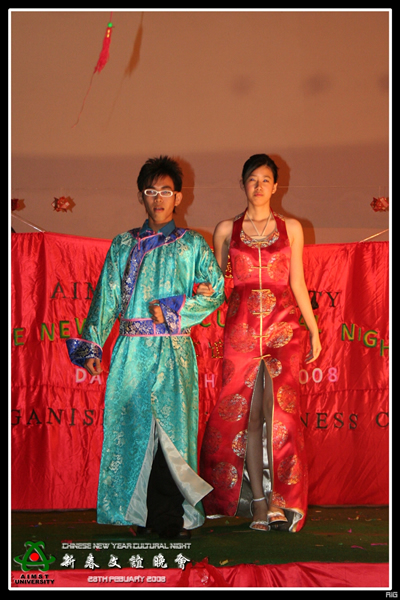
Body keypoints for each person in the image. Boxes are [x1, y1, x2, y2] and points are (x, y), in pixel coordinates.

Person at [66, 156, 225, 539]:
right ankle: (138, 513)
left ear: (179, 197)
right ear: (141, 196)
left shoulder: (192, 245)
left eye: (166, 191)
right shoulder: (123, 245)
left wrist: (175, 308)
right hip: (132, 352)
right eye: (151, 191)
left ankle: (169, 517)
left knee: (171, 434)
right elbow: (106, 298)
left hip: (173, 351)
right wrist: (92, 345)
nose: (158, 199)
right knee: (134, 430)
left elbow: (217, 291)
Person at [199, 154, 321, 532]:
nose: (259, 186)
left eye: (266, 180)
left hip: (284, 330)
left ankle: (281, 500)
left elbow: (297, 282)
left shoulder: (291, 228)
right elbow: (218, 286)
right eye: (252, 179)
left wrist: (314, 330)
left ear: (276, 186)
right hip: (241, 331)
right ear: (243, 184)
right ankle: (258, 503)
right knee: (248, 416)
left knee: (279, 414)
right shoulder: (226, 229)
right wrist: (199, 297)